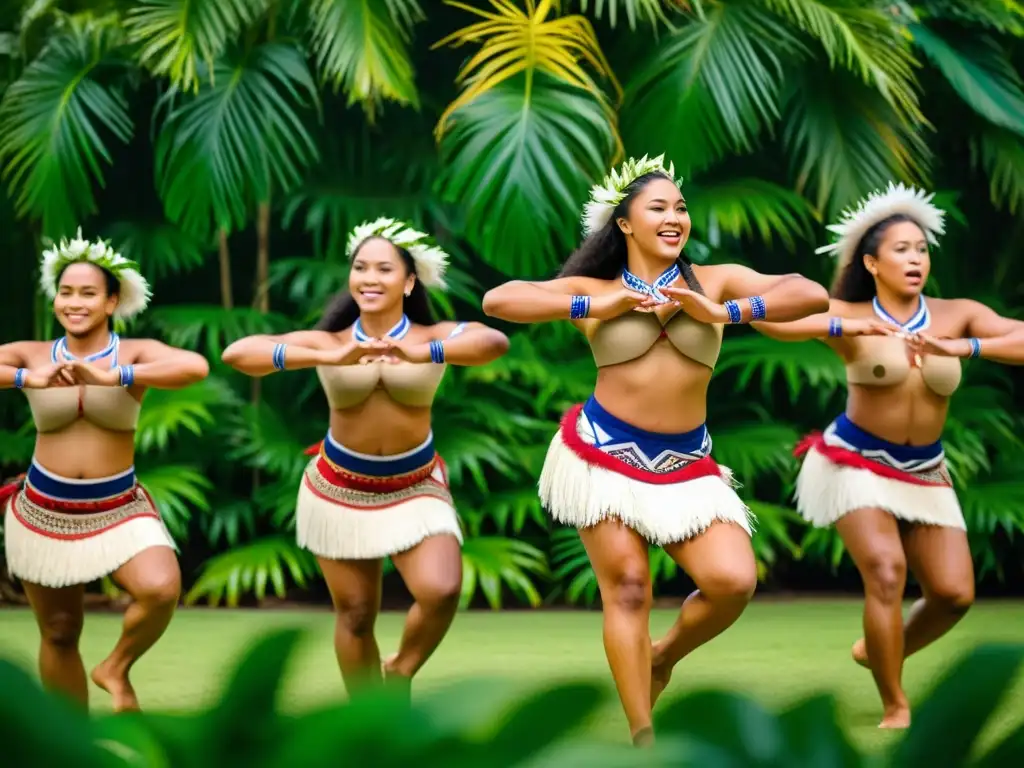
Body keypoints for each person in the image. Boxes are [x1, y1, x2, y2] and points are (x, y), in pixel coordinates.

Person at [481, 155, 830, 745]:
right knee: (627, 588)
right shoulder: (596, 288)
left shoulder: (713, 280)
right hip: (604, 455)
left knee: (732, 582)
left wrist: (725, 312)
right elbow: (500, 301)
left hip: (686, 464)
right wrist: (594, 307)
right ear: (624, 223)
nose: (675, 217)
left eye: (681, 207)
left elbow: (810, 293)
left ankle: (662, 656)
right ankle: (644, 736)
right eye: (659, 208)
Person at [752, 182, 1024, 728]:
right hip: (852, 462)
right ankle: (896, 706)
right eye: (902, 249)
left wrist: (965, 347)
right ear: (872, 262)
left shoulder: (957, 315)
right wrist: (840, 324)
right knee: (885, 570)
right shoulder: (851, 313)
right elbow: (768, 320)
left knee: (952, 594)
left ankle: (878, 649)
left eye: (921, 249)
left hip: (924, 470)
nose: (916, 258)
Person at [221, 217, 509, 696]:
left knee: (441, 591)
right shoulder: (329, 342)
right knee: (355, 614)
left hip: (415, 485)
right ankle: (367, 723)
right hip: (339, 487)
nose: (370, 278)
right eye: (360, 267)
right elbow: (238, 352)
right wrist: (330, 359)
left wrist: (425, 353)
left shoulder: (432, 336)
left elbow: (491, 341)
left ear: (410, 280)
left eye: (384, 269)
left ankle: (400, 669)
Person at [0, 231, 210, 711]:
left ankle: (115, 666)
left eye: (88, 293)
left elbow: (194, 365)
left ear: (112, 300)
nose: (74, 303)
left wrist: (114, 376)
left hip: (118, 506)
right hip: (43, 509)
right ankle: (71, 745)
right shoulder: (32, 355)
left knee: (160, 588)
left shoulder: (133, 354)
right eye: (66, 292)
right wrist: (24, 378)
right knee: (58, 631)